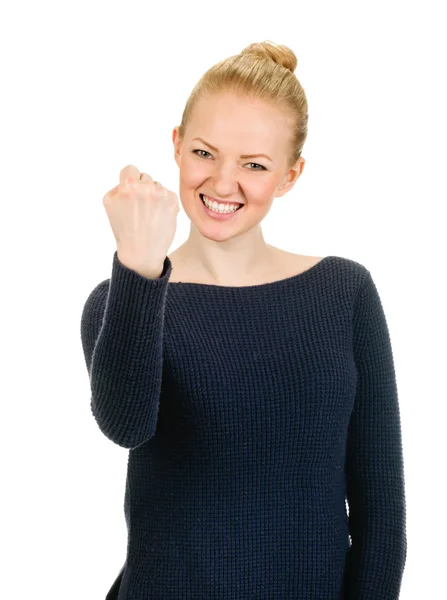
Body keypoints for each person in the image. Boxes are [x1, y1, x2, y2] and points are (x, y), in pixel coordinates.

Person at [80, 40, 407, 600]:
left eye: (254, 165)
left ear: (289, 175)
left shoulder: (344, 293)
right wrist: (138, 266)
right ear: (177, 146)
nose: (223, 183)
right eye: (205, 153)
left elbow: (381, 514)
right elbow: (124, 426)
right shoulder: (121, 300)